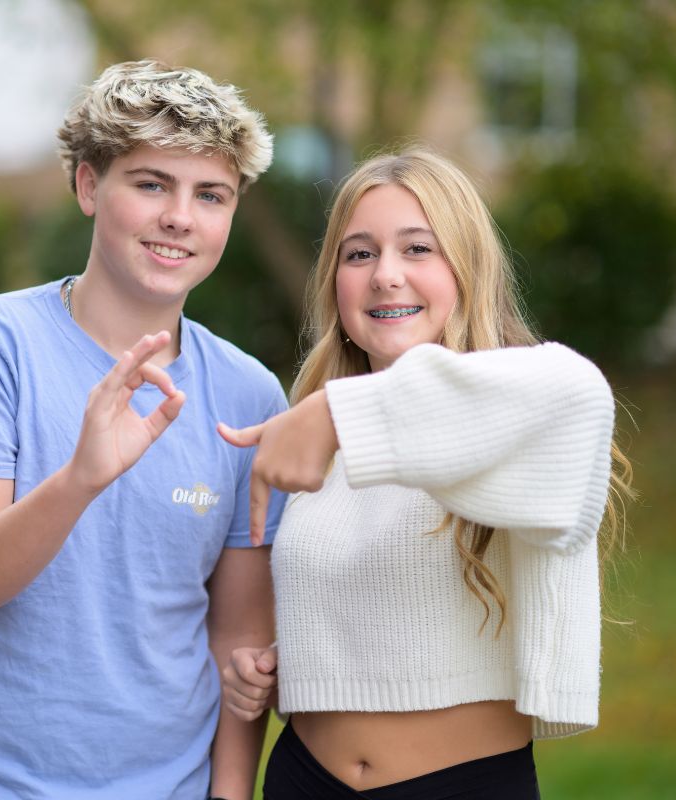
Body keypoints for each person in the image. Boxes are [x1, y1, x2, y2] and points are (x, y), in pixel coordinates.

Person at [0, 60, 287, 800]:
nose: (181, 217)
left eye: (210, 195)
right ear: (87, 186)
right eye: (151, 184)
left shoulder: (249, 393)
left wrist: (229, 795)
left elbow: (236, 637)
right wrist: (78, 482)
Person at [219, 147, 632, 799]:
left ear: (466, 268)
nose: (386, 275)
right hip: (303, 776)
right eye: (359, 254)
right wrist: (276, 667)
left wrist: (338, 413)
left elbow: (580, 393)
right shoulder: (317, 435)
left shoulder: (517, 411)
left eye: (418, 249)